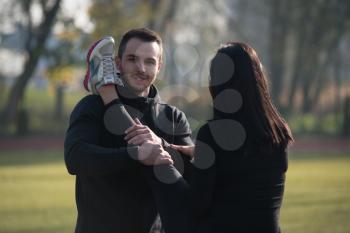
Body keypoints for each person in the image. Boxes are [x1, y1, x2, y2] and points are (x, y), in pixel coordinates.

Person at [143, 42, 294, 233]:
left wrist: (163, 161)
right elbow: (245, 170)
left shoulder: (213, 134)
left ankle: (109, 92)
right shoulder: (278, 132)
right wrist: (202, 155)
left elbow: (197, 206)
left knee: (156, 162)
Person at [64, 28, 193, 233]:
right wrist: (135, 155)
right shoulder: (92, 106)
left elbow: (189, 172)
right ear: (118, 63)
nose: (141, 68)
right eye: (132, 59)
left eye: (150, 61)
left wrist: (161, 146)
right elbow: (75, 158)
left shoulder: (173, 117)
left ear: (159, 66)